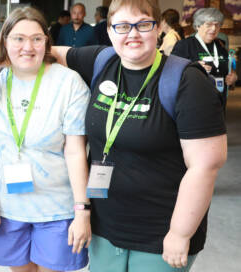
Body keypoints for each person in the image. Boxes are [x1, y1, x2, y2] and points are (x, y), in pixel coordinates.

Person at [51, 0, 227, 271]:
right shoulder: (102, 60)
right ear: (109, 31)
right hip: (104, 228)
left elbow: (205, 166)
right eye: (122, 26)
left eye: (143, 25)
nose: (132, 34)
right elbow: (43, 50)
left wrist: (180, 234)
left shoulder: (187, 81)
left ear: (158, 30)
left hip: (161, 233)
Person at [0, 7, 91, 272]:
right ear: (5, 41)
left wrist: (82, 211)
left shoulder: (69, 83)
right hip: (8, 208)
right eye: (18, 38)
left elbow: (75, 151)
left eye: (36, 38)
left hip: (57, 208)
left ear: (47, 41)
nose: (27, 47)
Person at [171, 7, 237, 111]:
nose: (214, 29)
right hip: (194, 105)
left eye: (217, 25)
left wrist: (233, 76)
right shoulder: (184, 45)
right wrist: (194, 68)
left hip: (219, 103)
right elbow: (171, 73)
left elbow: (226, 67)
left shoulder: (220, 45)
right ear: (198, 25)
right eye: (209, 24)